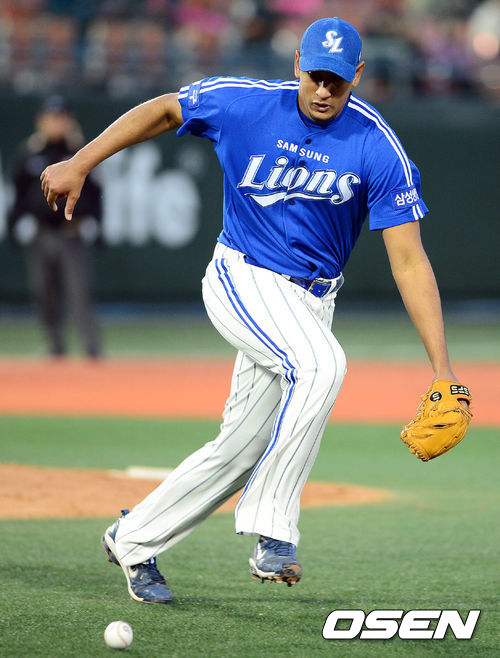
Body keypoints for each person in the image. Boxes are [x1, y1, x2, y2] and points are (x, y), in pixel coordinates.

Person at [40, 17, 468, 604]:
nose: (324, 90)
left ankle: (133, 538)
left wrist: (443, 371)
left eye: (338, 81)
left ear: (358, 76)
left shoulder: (374, 144)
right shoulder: (245, 103)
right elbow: (164, 109)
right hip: (241, 275)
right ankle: (273, 529)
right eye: (315, 76)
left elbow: (410, 262)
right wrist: (82, 161)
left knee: (240, 449)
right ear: (297, 65)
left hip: (312, 301)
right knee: (321, 366)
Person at [8, 95, 102, 358]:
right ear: (40, 121)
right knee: (44, 295)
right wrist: (13, 224)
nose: (56, 123)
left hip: (72, 233)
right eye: (52, 118)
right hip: (41, 233)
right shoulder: (29, 153)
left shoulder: (80, 153)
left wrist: (98, 226)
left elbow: (96, 193)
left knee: (80, 295)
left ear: (70, 121)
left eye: (61, 118)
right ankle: (55, 349)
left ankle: (92, 353)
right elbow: (18, 194)